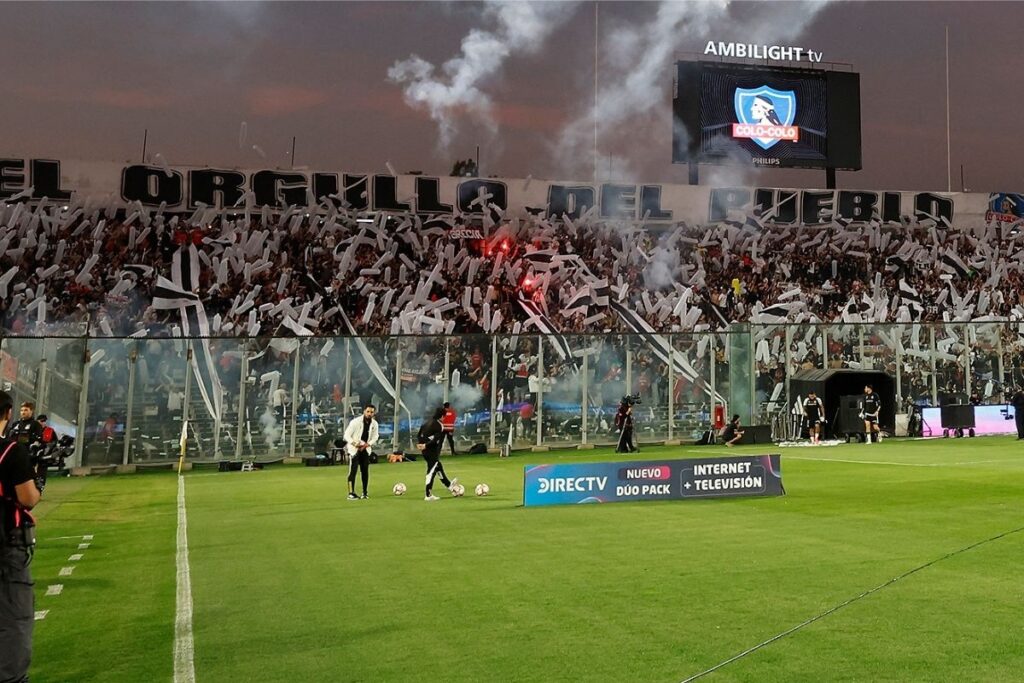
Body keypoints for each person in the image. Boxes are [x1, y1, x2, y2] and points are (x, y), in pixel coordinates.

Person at [0, 391, 42, 683]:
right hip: (5, 549)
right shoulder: (10, 451)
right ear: (8, 413)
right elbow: (28, 498)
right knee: (13, 622)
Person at [417, 408, 459, 502]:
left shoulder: (427, 423)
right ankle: (428, 495)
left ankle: (449, 486)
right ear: (442, 416)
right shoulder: (439, 425)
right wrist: (426, 445)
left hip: (425, 451)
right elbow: (436, 439)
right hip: (431, 451)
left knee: (438, 467)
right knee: (431, 472)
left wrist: (421, 443)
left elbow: (419, 434)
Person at [344, 405, 379, 500]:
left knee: (365, 471)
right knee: (353, 471)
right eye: (368, 411)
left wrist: (368, 444)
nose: (369, 414)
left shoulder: (374, 424)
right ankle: (351, 493)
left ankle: (364, 492)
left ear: (374, 413)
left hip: (365, 450)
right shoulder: (355, 422)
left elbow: (375, 436)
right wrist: (354, 443)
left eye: (371, 412)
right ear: (364, 411)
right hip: (354, 450)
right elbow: (346, 435)